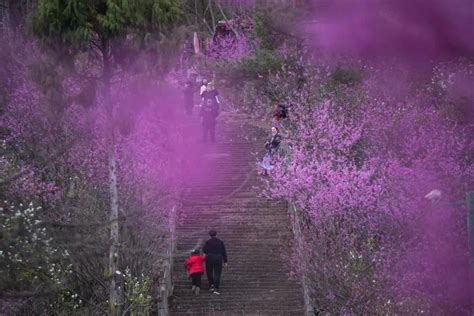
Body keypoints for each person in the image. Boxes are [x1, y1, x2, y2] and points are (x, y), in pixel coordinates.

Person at [203, 230, 227, 295]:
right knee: (217, 273)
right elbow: (223, 251)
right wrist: (225, 261)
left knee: (209, 271)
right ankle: (216, 287)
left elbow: (204, 250)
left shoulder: (207, 242)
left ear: (209, 235)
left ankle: (211, 285)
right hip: (218, 258)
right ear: (216, 234)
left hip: (210, 257)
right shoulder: (220, 242)